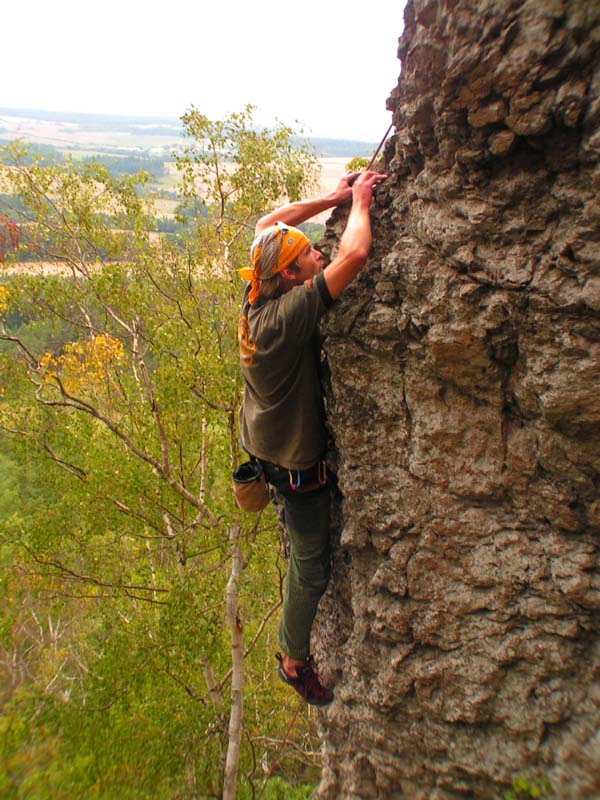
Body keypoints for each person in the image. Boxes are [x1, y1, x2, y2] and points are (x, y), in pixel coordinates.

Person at [237, 168, 387, 705]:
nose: (316, 253)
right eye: (307, 255)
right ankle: (292, 656)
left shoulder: (258, 290)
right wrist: (362, 203)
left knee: (306, 555)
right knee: (311, 565)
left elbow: (267, 223)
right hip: (294, 463)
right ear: (292, 275)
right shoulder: (285, 317)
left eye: (312, 249)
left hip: (265, 440)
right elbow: (354, 257)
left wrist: (334, 197)